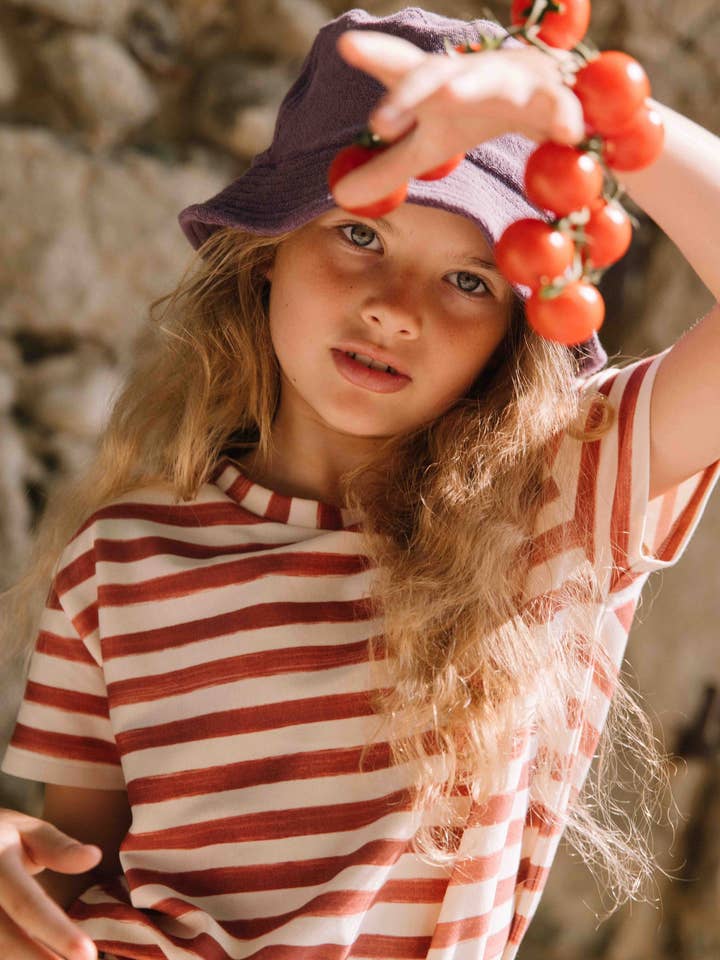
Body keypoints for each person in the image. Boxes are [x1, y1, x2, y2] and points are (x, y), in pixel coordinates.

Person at [0, 6, 719, 960]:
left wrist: (585, 110)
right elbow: (69, 887)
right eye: (361, 234)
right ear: (266, 253)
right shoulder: (115, 563)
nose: (395, 312)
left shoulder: (555, 502)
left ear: (515, 330)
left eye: (468, 281)